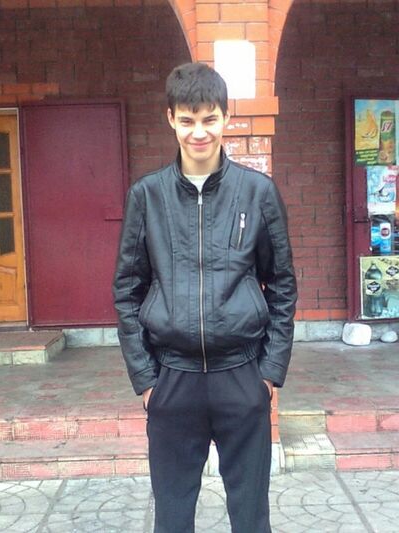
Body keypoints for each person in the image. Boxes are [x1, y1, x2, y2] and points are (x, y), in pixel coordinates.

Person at [113, 62, 297, 533]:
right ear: (170, 118)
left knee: (251, 517)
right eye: (188, 120)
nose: (199, 132)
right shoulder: (146, 197)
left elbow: (281, 284)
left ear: (226, 117)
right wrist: (146, 379)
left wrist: (270, 371)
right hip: (172, 380)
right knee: (172, 518)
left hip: (242, 375)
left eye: (209, 119)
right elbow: (127, 291)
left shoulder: (257, 193)